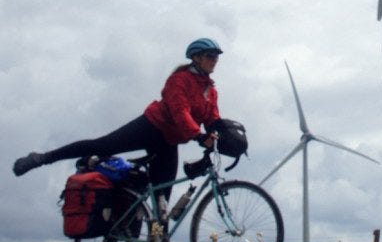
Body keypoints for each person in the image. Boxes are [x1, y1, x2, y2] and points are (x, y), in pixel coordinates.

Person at [12, 38, 224, 196]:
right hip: (150, 127)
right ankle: (41, 158)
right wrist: (198, 136)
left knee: (162, 196)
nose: (214, 61)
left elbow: (212, 118)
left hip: (168, 142)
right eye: (209, 56)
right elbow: (180, 112)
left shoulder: (210, 90)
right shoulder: (179, 80)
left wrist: (224, 135)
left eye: (216, 57)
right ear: (196, 58)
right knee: (103, 145)